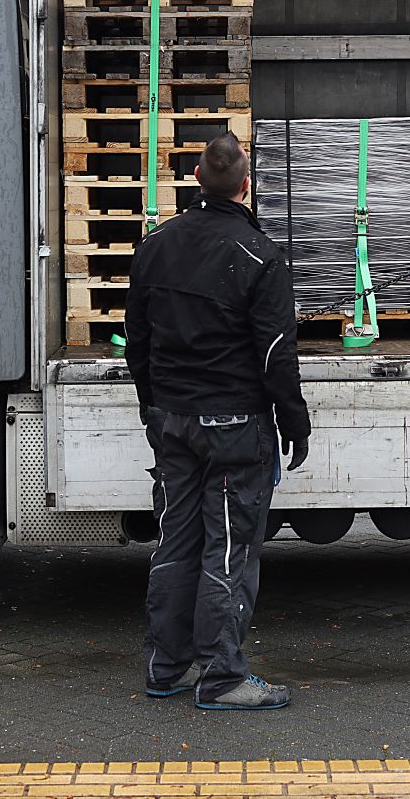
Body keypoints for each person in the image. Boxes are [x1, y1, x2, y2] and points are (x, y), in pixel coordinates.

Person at [125, 132, 311, 711]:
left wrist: (152, 403)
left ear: (197, 180)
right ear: (245, 186)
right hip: (234, 425)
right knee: (228, 549)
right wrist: (294, 421)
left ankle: (167, 666)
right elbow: (275, 352)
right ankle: (223, 676)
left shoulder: (155, 246)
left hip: (173, 419)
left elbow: (137, 339)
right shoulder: (259, 255)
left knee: (176, 542)